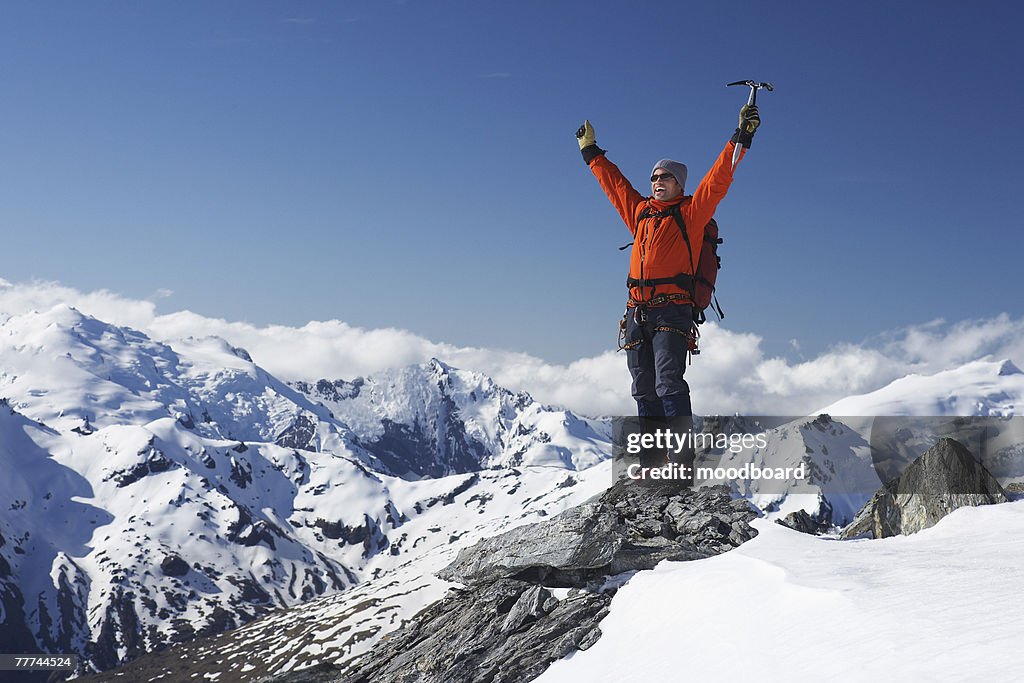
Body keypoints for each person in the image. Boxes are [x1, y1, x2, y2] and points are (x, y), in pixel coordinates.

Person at [576, 105, 759, 473]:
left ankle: (681, 463)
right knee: (643, 387)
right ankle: (651, 463)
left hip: (671, 310)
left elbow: (719, 179)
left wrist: (742, 136)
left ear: (679, 184)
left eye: (666, 177)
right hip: (636, 311)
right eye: (655, 176)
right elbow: (614, 185)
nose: (657, 181)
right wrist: (590, 151)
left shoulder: (691, 215)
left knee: (668, 382)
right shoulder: (640, 213)